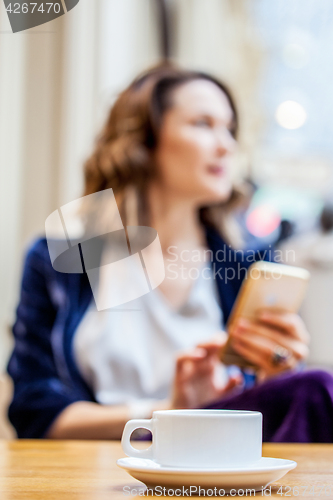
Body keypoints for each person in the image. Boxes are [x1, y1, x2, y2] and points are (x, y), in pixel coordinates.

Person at [7, 65, 333, 442]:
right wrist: (167, 412)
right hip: (96, 469)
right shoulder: (59, 257)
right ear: (143, 141)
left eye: (228, 128)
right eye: (202, 123)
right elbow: (33, 414)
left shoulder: (246, 262)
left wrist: (277, 374)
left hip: (217, 466)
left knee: (315, 388)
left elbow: (261, 405)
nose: (226, 145)